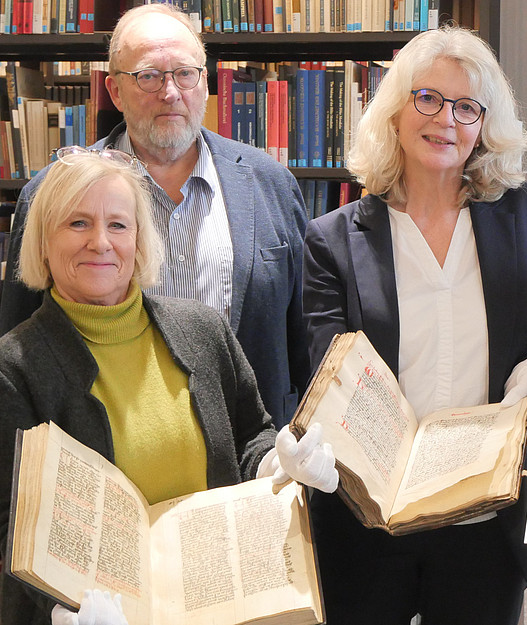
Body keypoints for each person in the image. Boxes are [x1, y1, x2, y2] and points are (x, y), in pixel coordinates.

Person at [300, 26, 527, 624]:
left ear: (484, 125)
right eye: (427, 98)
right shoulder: (332, 241)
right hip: (370, 517)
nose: (446, 121)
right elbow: (326, 374)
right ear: (395, 115)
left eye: (466, 107)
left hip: (485, 516)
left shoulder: (525, 215)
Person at [0, 147, 278, 625]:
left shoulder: (204, 330)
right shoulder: (13, 366)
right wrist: (59, 608)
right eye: (78, 223)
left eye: (118, 225)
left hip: (222, 602)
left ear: (140, 241)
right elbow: (11, 525)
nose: (101, 243)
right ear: (43, 241)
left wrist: (277, 462)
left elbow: (252, 436)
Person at [0, 3, 310, 428]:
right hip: (103, 452)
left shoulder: (270, 184)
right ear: (114, 91)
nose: (170, 92)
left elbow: (301, 342)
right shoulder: (53, 193)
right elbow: (18, 343)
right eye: (148, 75)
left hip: (251, 454)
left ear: (205, 81)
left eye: (185, 73)